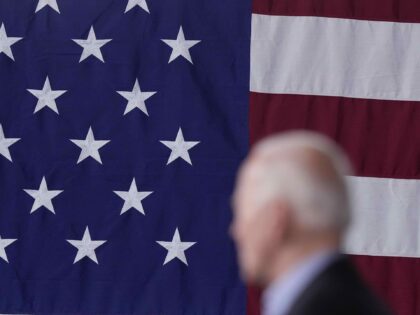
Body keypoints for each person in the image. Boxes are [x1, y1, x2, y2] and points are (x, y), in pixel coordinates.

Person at [230, 131, 391, 315]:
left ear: (275, 220)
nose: (236, 231)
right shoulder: (354, 301)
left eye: (242, 215)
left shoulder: (324, 308)